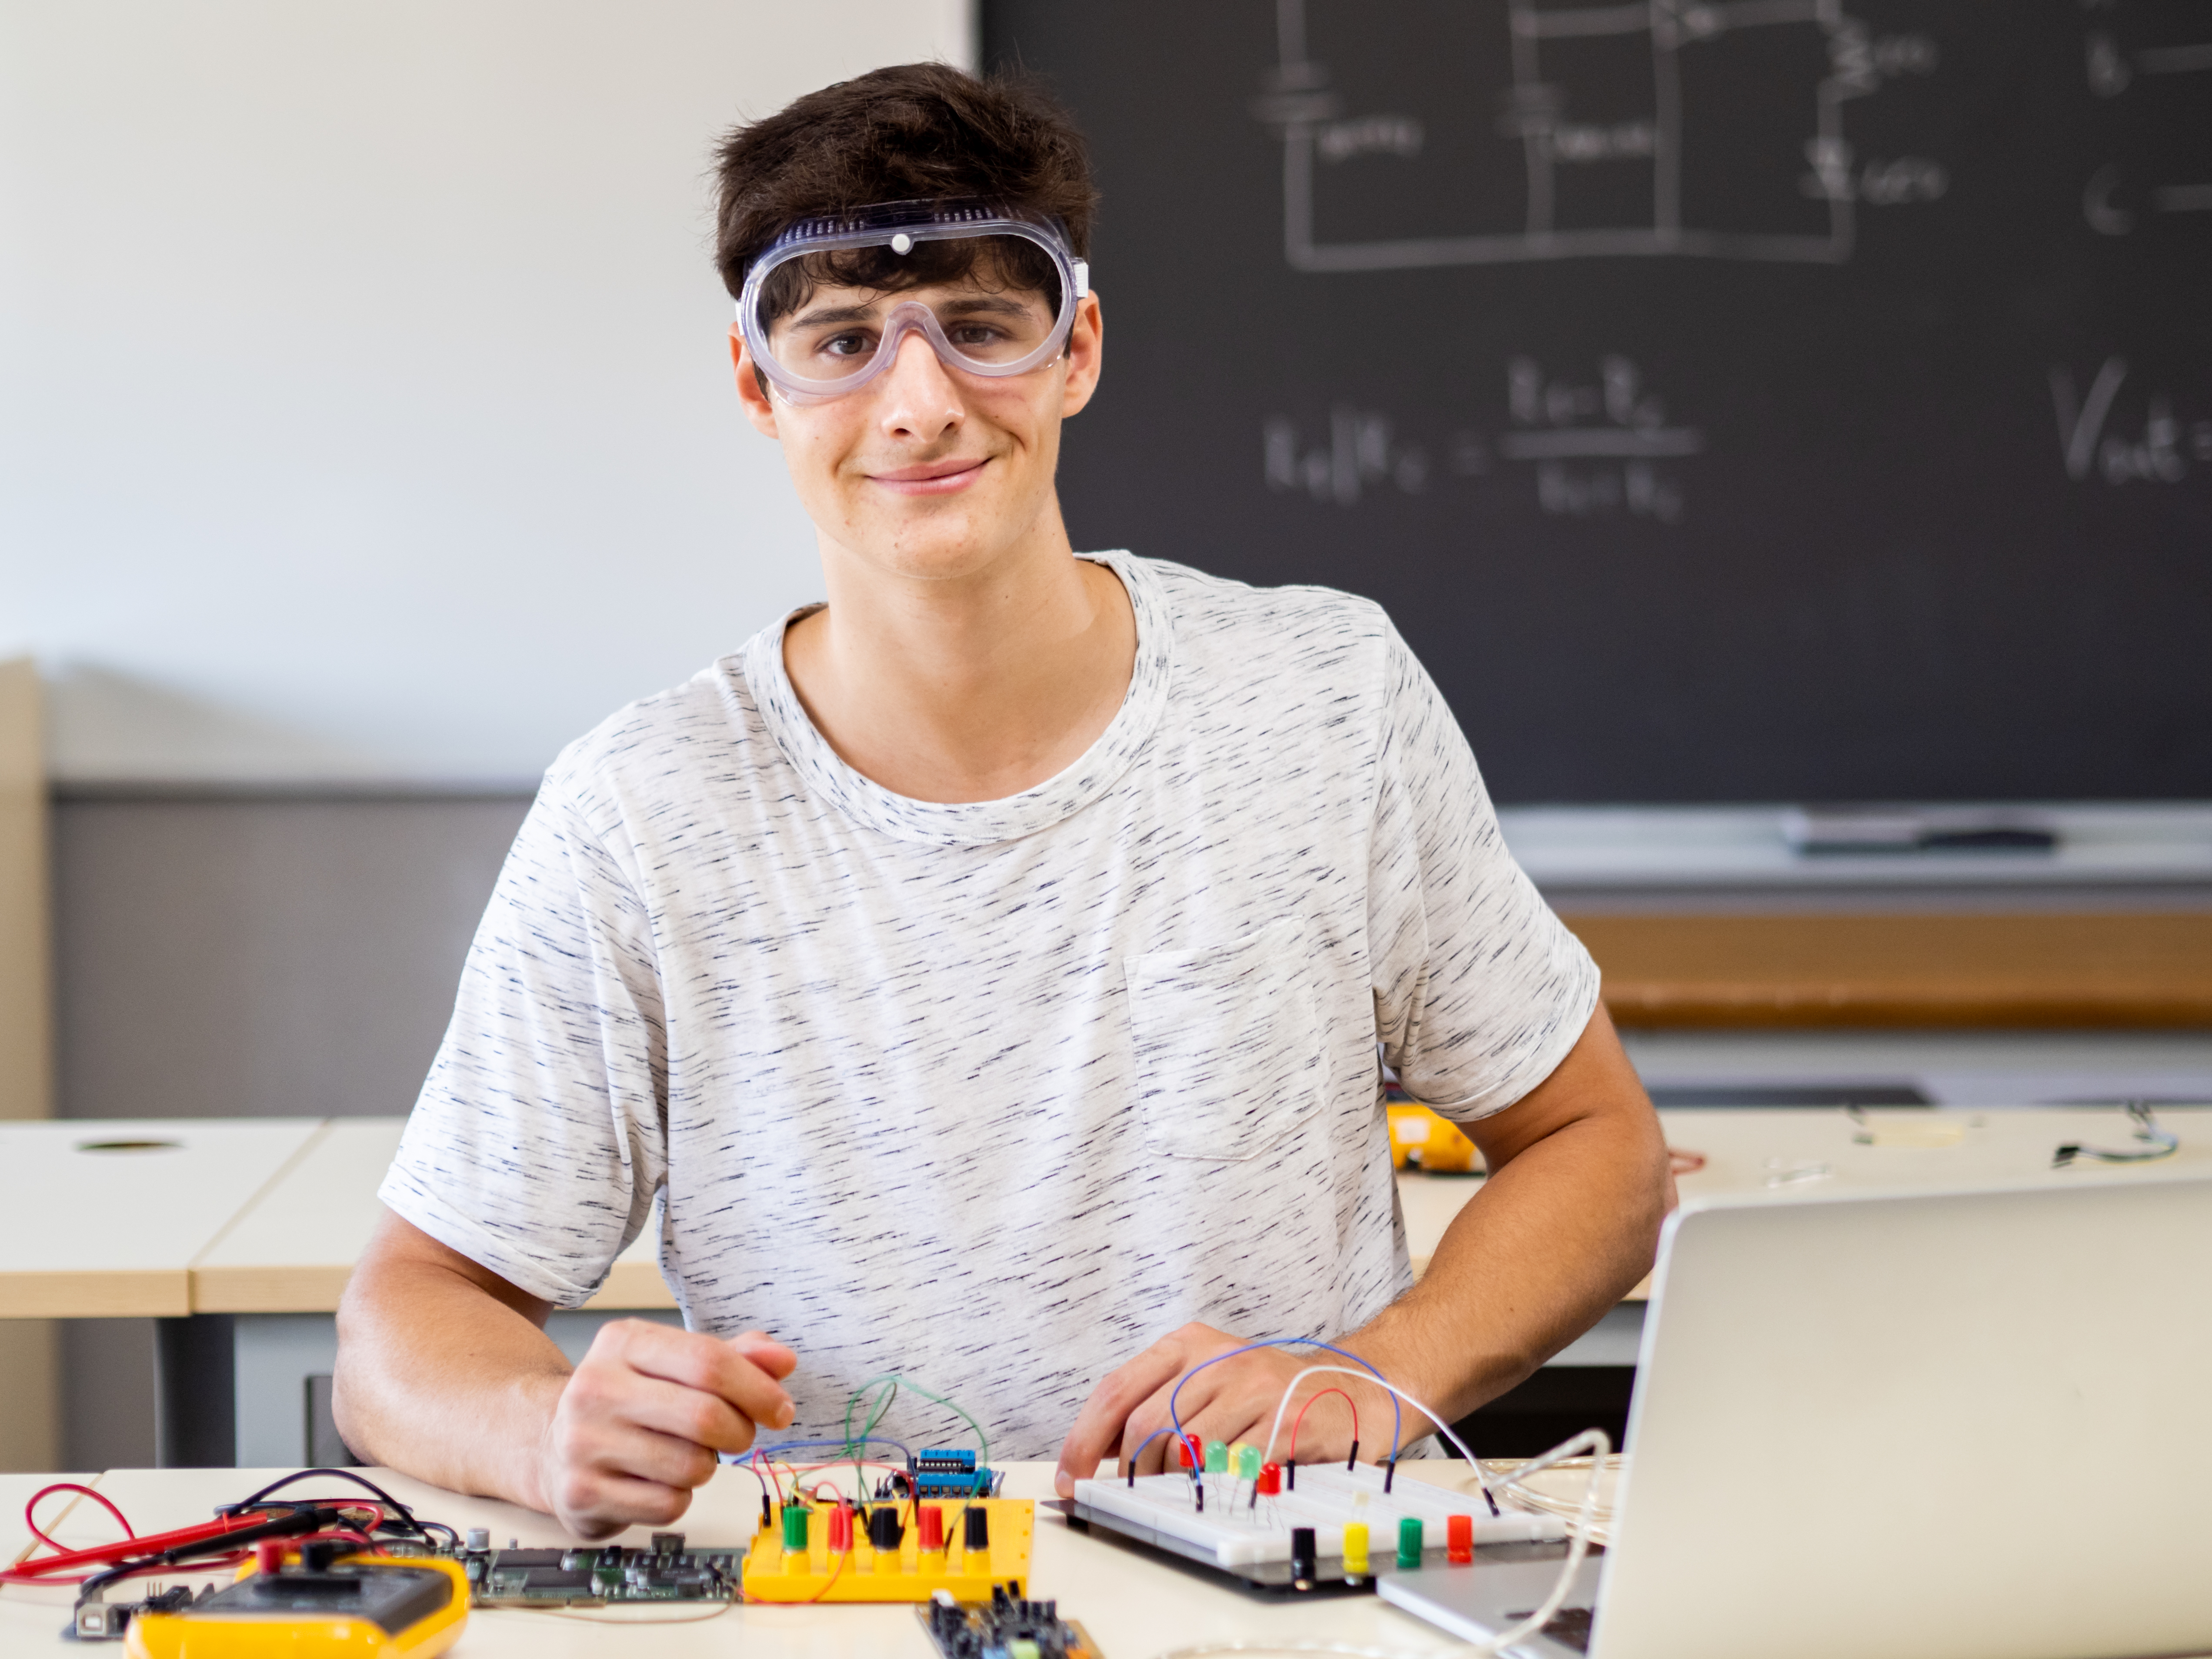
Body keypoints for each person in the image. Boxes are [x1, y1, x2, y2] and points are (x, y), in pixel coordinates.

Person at [333, 61, 1671, 1541]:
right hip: (842, 1611)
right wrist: (538, 1428)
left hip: (1277, 1583)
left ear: (1077, 347)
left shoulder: (1325, 698)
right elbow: (406, 1314)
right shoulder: (641, 812)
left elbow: (1598, 1149)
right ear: (754, 385)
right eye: (840, 341)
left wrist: (1378, 1371)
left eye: (980, 329)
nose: (919, 405)